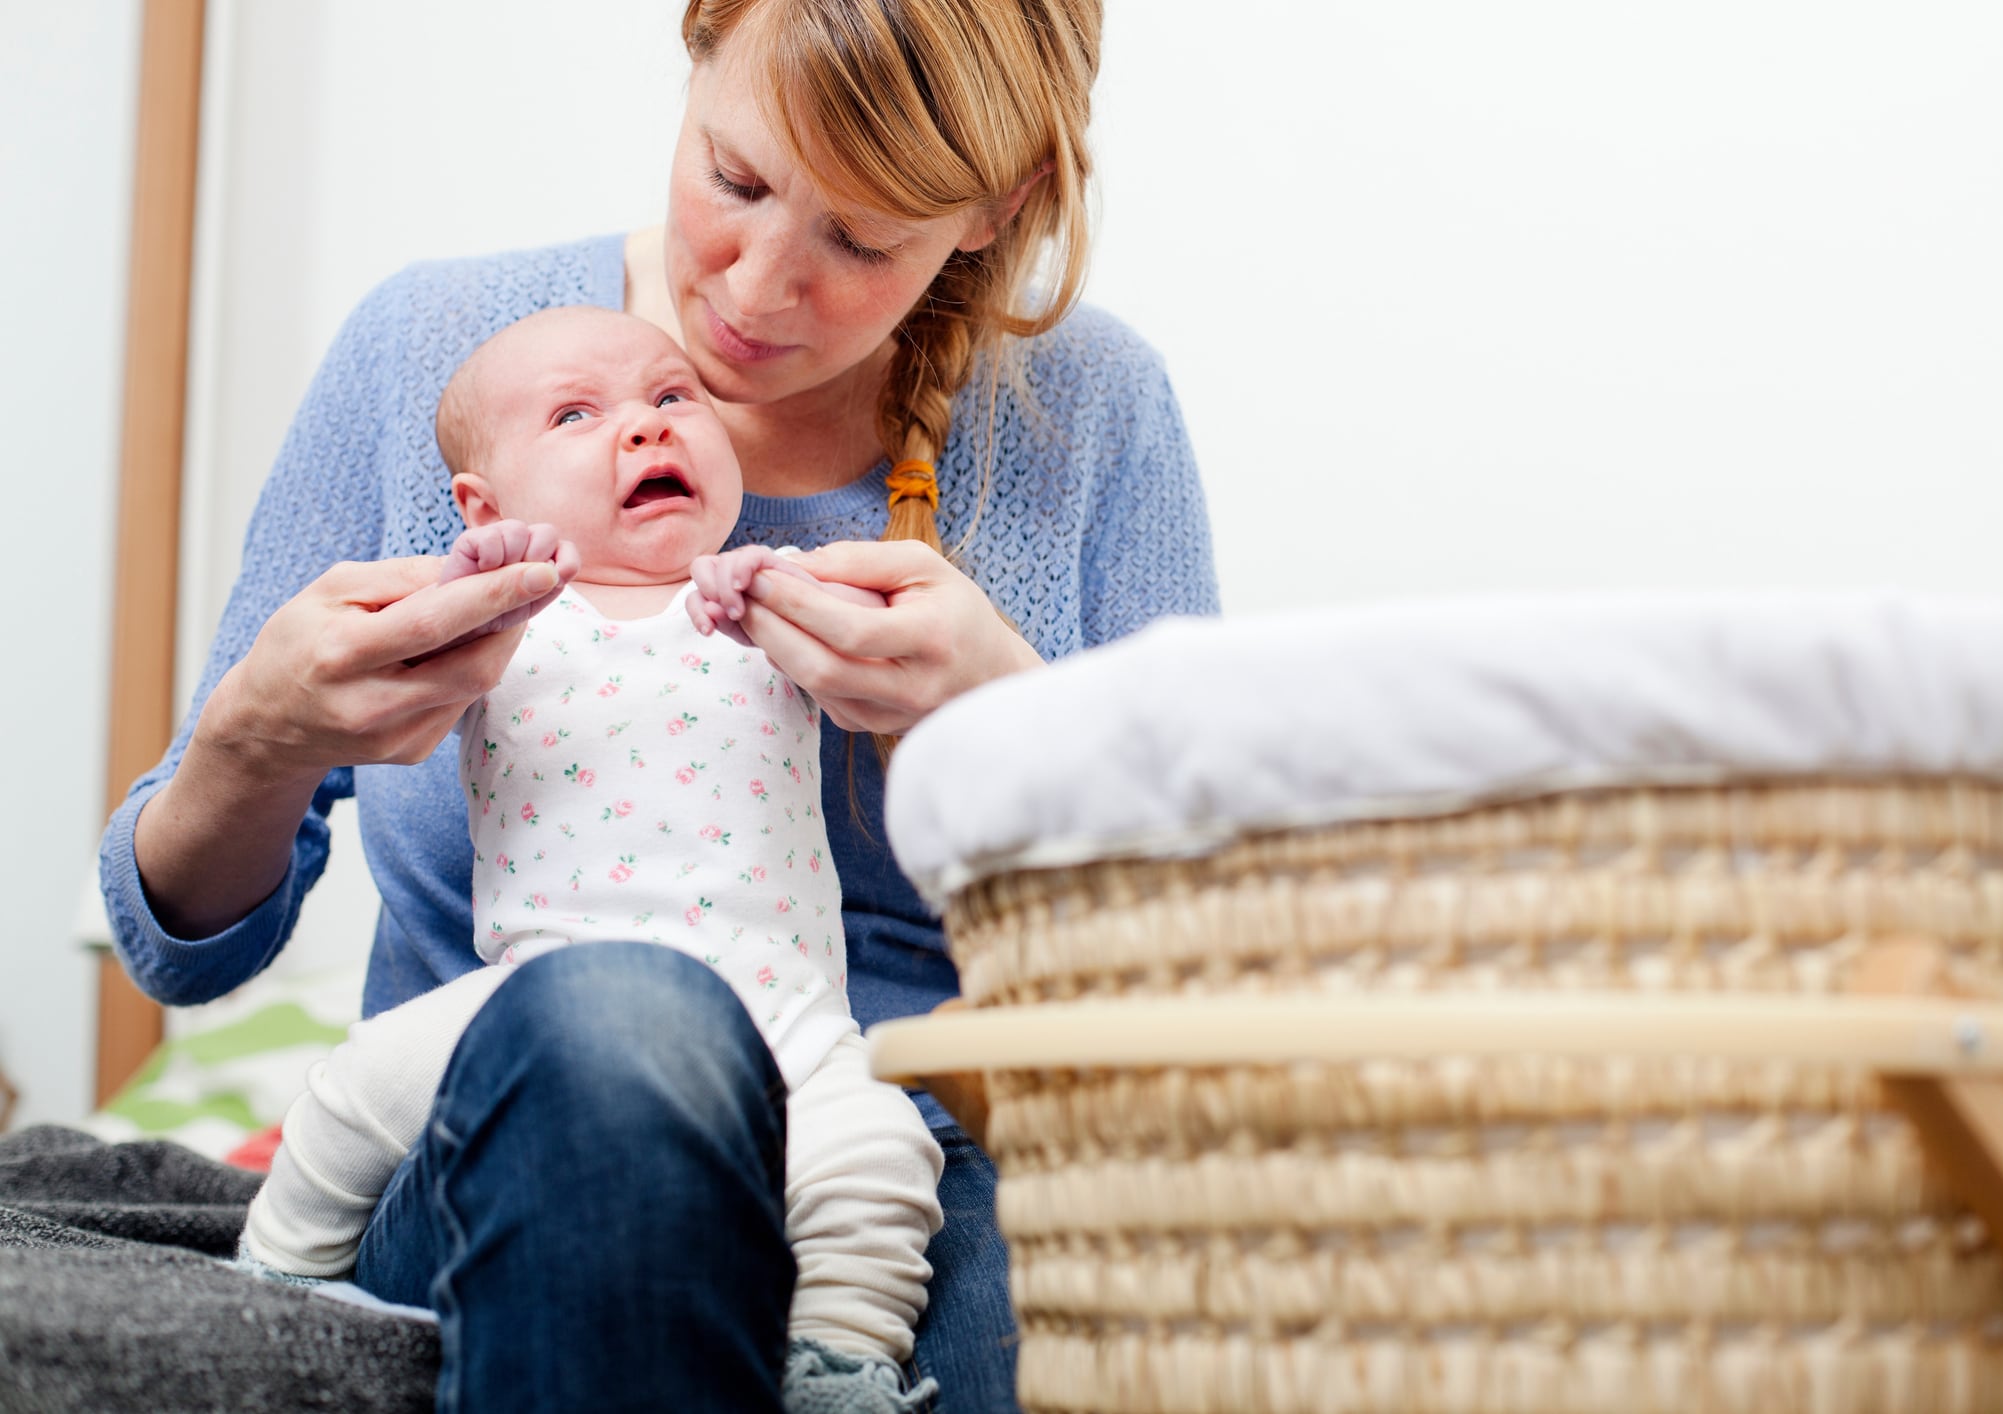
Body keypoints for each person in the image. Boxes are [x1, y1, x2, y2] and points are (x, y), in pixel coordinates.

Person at [97, 0, 1218, 1408]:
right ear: (693, 50)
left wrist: (1008, 719)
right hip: (524, 1122)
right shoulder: (438, 357)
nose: (753, 289)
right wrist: (257, 739)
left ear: (1003, 207)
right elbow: (178, 955)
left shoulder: (1090, 414)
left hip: (917, 1162)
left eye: (861, 241)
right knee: (624, 1021)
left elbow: (1195, 978)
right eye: (734, 181)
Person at [236, 305, 943, 1412]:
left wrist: (794, 595)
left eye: (673, 400)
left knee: (881, 1152)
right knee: (355, 1085)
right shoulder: (505, 620)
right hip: (540, 995)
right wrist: (478, 575)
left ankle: (839, 1360)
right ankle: (277, 1278)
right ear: (484, 505)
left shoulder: (763, 601)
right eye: (577, 414)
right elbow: (414, 645)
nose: (645, 430)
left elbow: (883, 650)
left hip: (782, 1007)